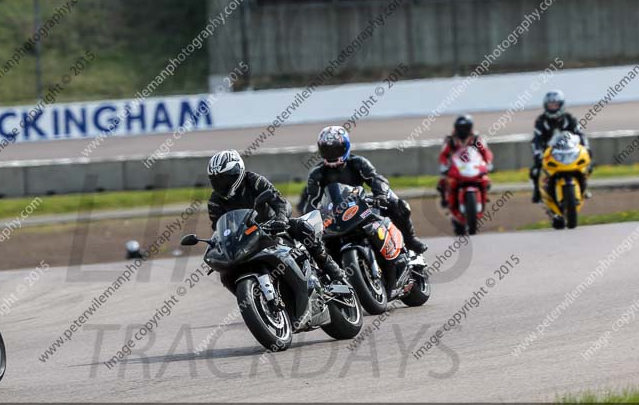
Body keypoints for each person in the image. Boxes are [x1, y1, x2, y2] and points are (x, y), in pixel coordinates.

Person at [206, 150, 346, 283]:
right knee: (226, 271)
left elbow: (279, 201)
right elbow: (219, 230)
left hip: (272, 227)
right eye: (216, 180)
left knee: (303, 227)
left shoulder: (254, 181)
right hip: (245, 239)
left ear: (238, 172)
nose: (221, 184)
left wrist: (281, 218)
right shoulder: (214, 202)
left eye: (226, 178)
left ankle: (334, 272)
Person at [304, 126, 428, 255]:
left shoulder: (358, 163)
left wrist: (381, 195)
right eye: (327, 150)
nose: (332, 154)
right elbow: (312, 200)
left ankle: (410, 239)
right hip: (335, 214)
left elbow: (376, 179)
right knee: (316, 243)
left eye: (336, 149)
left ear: (345, 147)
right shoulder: (317, 174)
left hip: (360, 205)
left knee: (398, 204)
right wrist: (309, 221)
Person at [530, 90, 591, 203]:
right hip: (549, 153)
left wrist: (586, 148)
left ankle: (584, 189)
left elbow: (580, 135)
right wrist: (538, 153)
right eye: (550, 105)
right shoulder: (541, 121)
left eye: (555, 105)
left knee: (587, 167)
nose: (553, 107)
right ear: (546, 106)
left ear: (561, 105)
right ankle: (537, 193)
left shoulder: (570, 118)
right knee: (534, 171)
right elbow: (536, 140)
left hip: (570, 151)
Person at [437, 115, 494, 208]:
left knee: (485, 180)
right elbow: (443, 155)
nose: (463, 130)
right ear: (456, 128)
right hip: (455, 167)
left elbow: (486, 152)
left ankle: (483, 197)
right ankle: (446, 200)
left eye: (466, 127)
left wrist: (488, 162)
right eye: (461, 128)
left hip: (473, 166)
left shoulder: (476, 139)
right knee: (444, 182)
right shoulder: (450, 140)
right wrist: (444, 165)